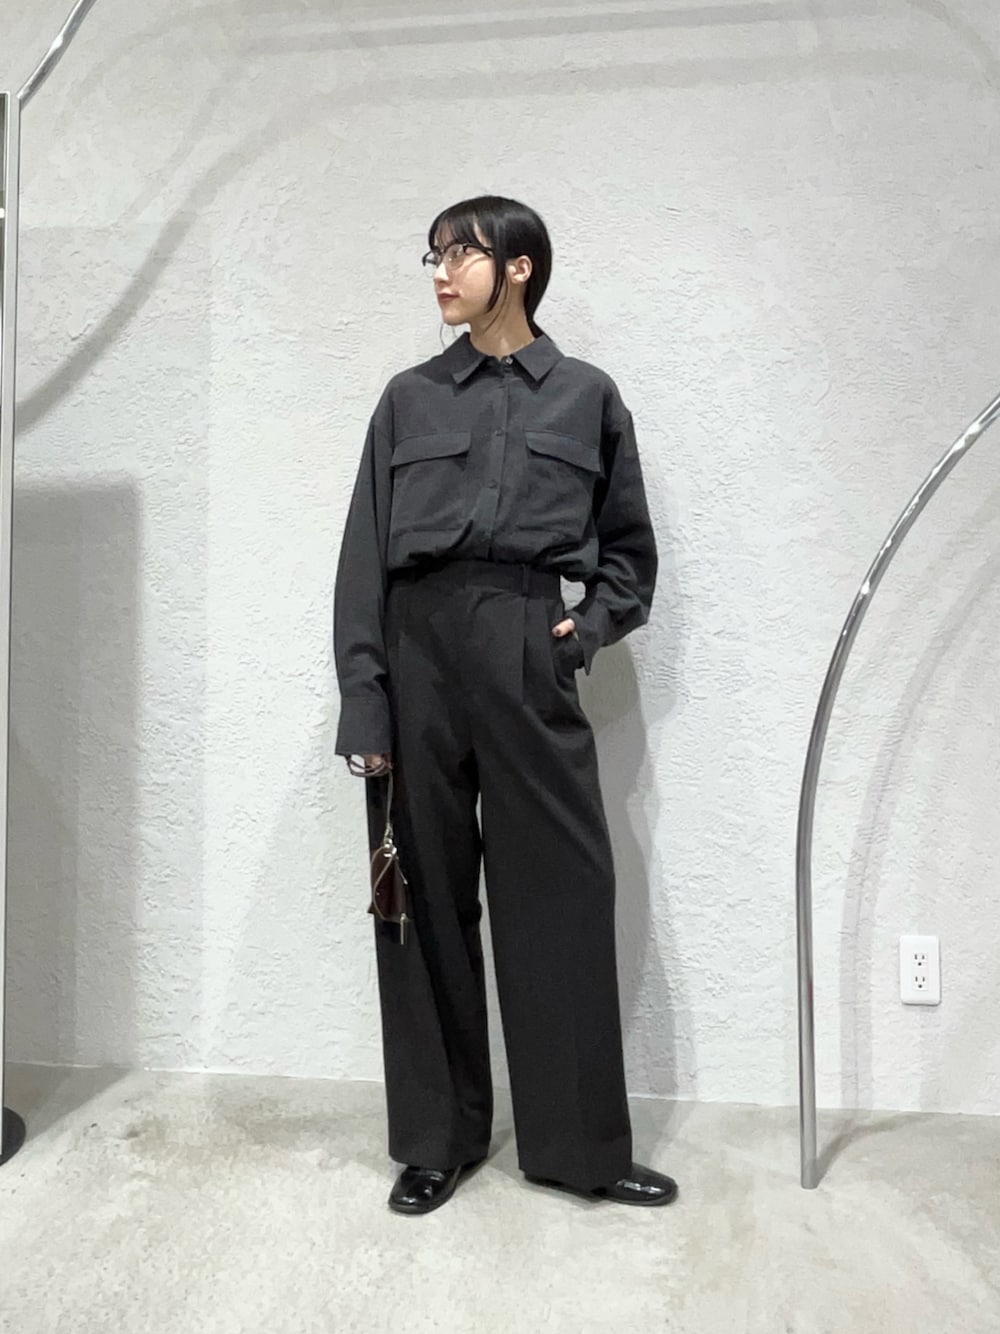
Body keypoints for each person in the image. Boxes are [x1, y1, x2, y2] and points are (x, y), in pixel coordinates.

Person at [334, 194, 676, 1215]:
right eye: (433, 255)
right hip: (419, 655)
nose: (440, 272)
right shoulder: (408, 399)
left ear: (518, 267)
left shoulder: (586, 396)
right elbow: (362, 562)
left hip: (529, 645)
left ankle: (578, 1149)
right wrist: (366, 700)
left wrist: (585, 627)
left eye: (460, 254)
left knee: (562, 895)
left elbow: (629, 553)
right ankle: (438, 1138)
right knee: (424, 902)